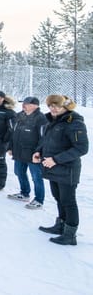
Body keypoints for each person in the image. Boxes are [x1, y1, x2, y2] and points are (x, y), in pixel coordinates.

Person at [36, 95, 88, 245]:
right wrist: (38, 151)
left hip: (67, 169)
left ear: (65, 107)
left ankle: (70, 235)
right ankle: (61, 226)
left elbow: (81, 148)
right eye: (50, 105)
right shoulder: (53, 121)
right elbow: (46, 141)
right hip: (53, 168)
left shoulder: (75, 123)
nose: (53, 109)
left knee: (68, 201)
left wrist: (55, 160)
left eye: (57, 106)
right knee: (58, 198)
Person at [7, 96, 47, 209]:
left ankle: (39, 200)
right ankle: (24, 193)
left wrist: (39, 152)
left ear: (35, 106)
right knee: (19, 172)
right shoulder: (19, 115)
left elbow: (44, 138)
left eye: (27, 104)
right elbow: (13, 133)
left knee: (36, 177)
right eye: (23, 103)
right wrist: (10, 147)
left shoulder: (41, 119)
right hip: (19, 151)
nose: (24, 105)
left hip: (33, 154)